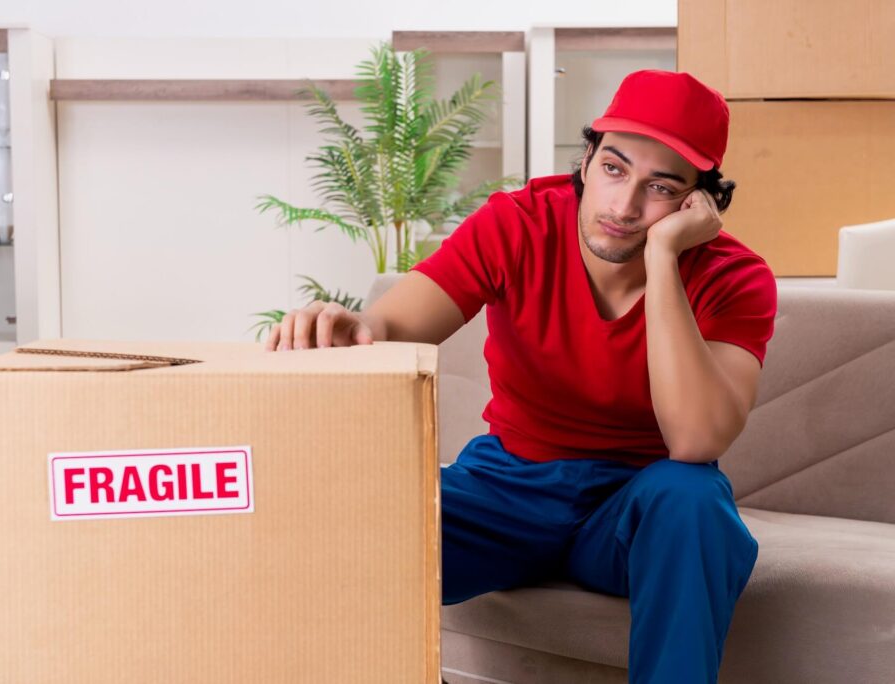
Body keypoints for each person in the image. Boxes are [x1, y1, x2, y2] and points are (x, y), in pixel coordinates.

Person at [265, 69, 777, 684]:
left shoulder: (734, 277)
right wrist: (348, 328)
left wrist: (664, 259)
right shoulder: (520, 223)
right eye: (614, 168)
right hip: (506, 488)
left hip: (632, 511)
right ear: (586, 160)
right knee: (355, 513)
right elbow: (388, 328)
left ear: (700, 203)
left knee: (692, 498)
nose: (624, 205)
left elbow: (696, 441)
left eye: (661, 187)